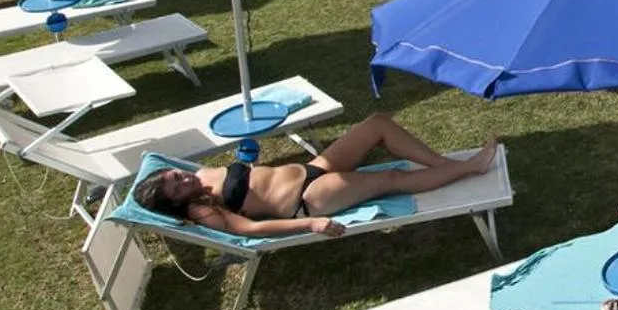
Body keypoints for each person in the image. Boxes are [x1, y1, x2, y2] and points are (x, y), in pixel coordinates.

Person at [130, 114, 498, 239]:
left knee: (377, 125)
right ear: (178, 202)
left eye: (174, 175)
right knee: (390, 179)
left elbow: (247, 176)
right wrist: (311, 225)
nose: (183, 180)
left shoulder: (200, 173)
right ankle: (469, 167)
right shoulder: (202, 210)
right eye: (177, 188)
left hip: (313, 168)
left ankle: (439, 165)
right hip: (308, 199)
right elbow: (250, 230)